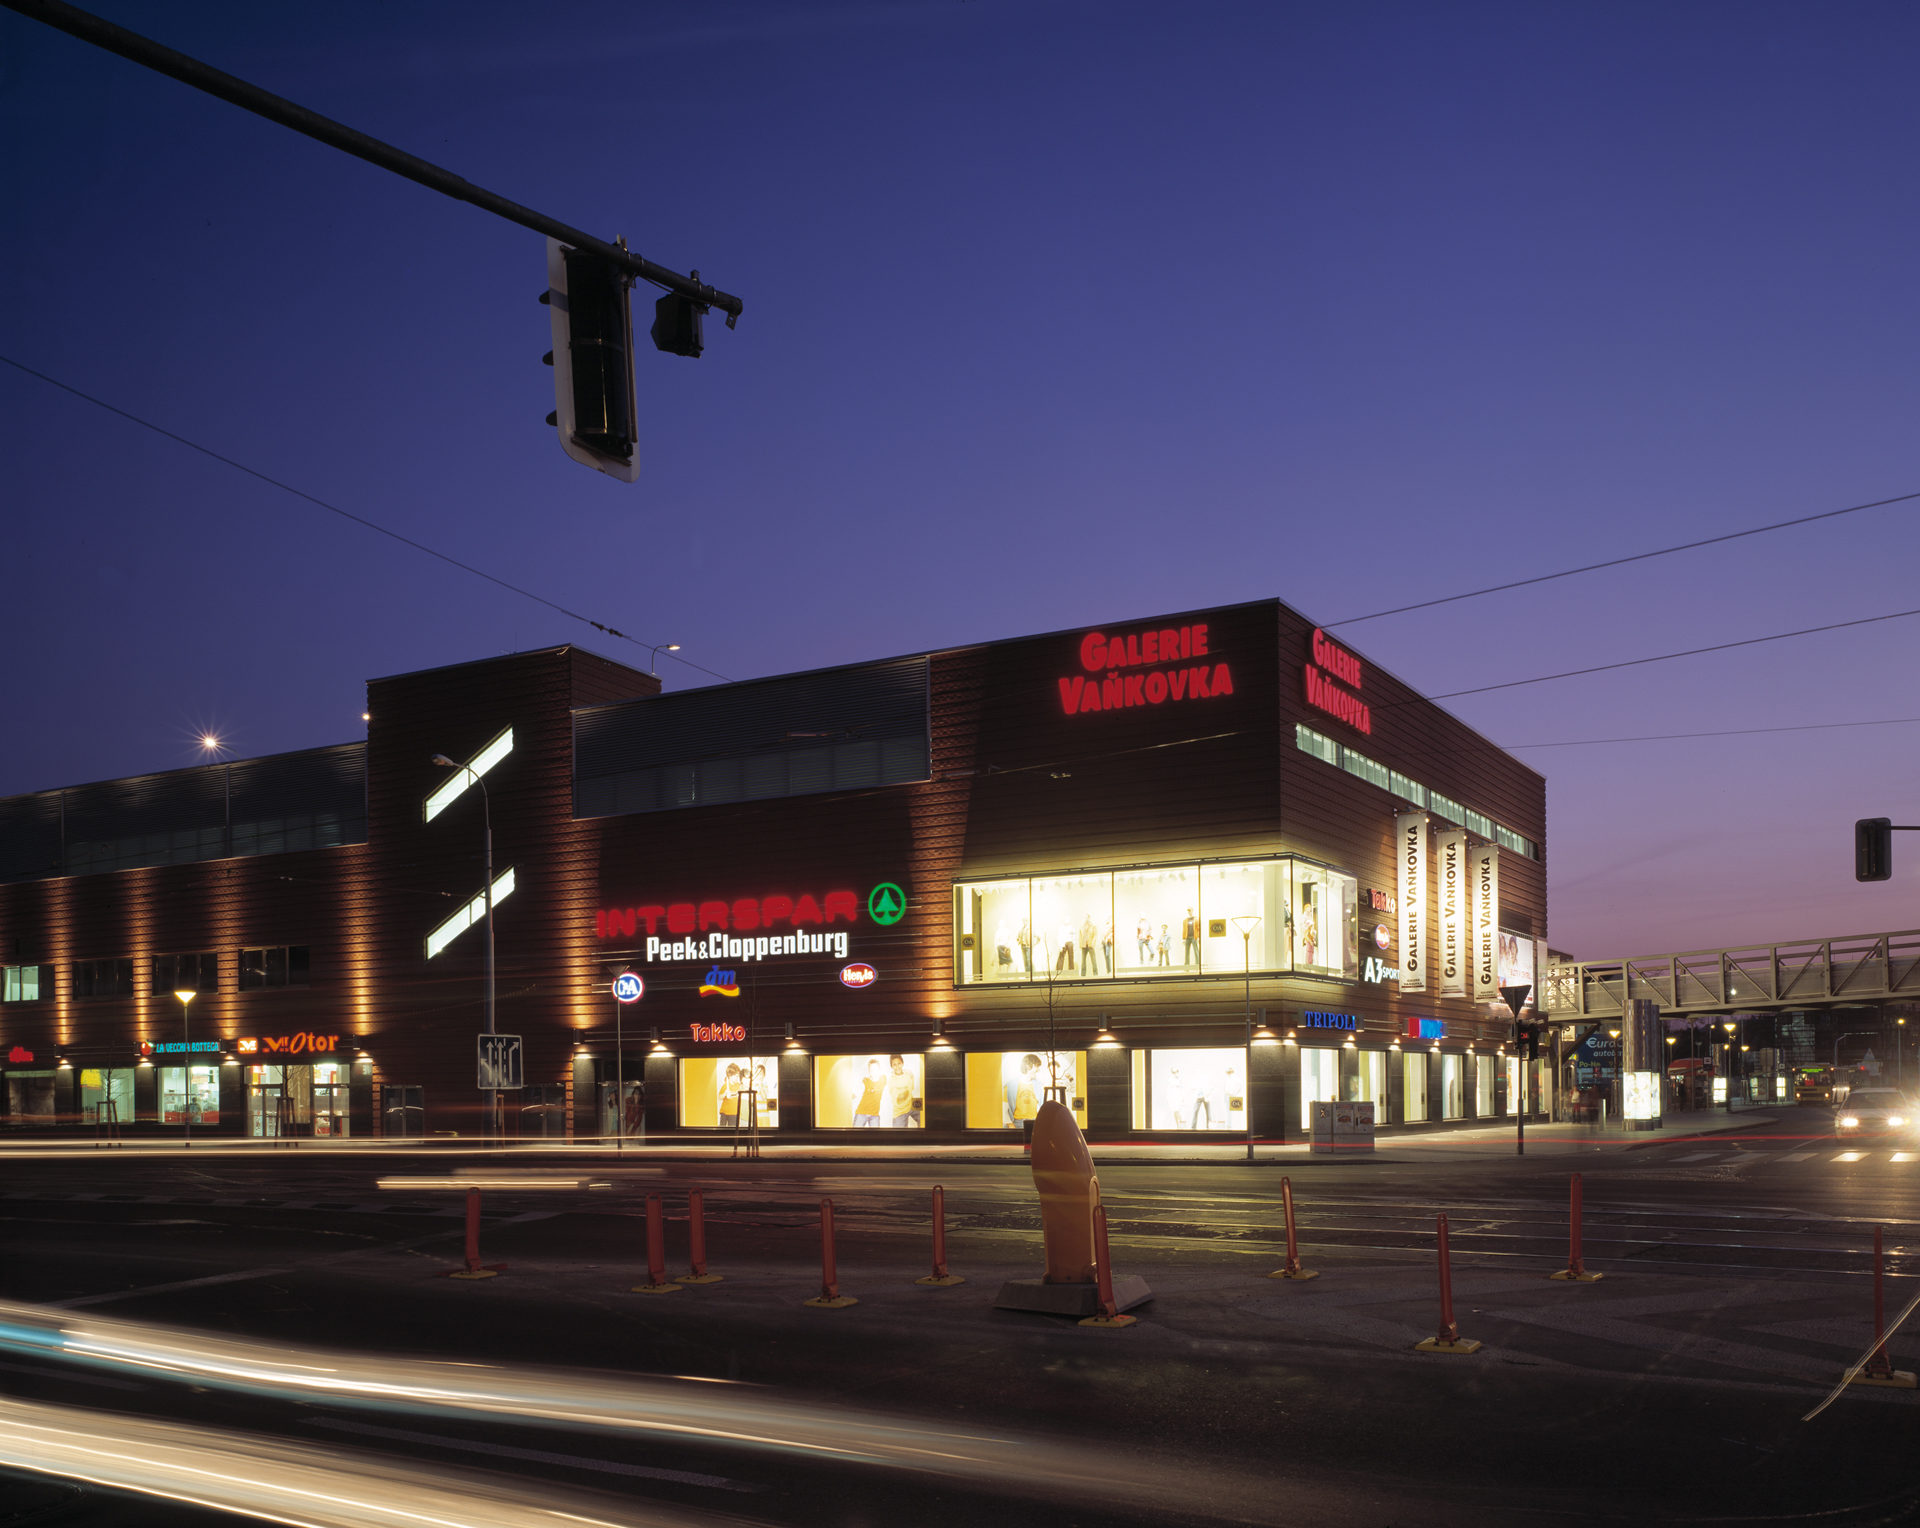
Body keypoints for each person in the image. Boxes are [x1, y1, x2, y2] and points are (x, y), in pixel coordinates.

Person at [887, 1053, 919, 1127]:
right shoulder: (891, 1080)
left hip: (912, 1103)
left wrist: (911, 1075)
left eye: (899, 1063)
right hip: (900, 1111)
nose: (897, 1066)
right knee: (897, 1135)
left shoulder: (908, 1074)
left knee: (925, 1114)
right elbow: (897, 1099)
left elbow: (912, 1088)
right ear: (891, 1066)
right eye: (894, 1064)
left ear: (902, 1063)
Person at [852, 1059, 885, 1126]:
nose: (874, 1071)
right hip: (861, 1113)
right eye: (871, 1070)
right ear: (869, 1071)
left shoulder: (883, 1080)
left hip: (874, 1115)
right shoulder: (866, 1081)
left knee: (876, 1135)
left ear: (879, 1069)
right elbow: (857, 1092)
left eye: (875, 1069)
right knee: (854, 1134)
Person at [717, 1063, 742, 1129]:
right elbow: (719, 1097)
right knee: (722, 1131)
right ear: (730, 1076)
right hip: (724, 1113)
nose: (737, 1078)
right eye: (736, 1076)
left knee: (733, 1130)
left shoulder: (738, 1085)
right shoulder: (725, 1085)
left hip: (734, 1113)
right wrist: (725, 1093)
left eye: (738, 1076)